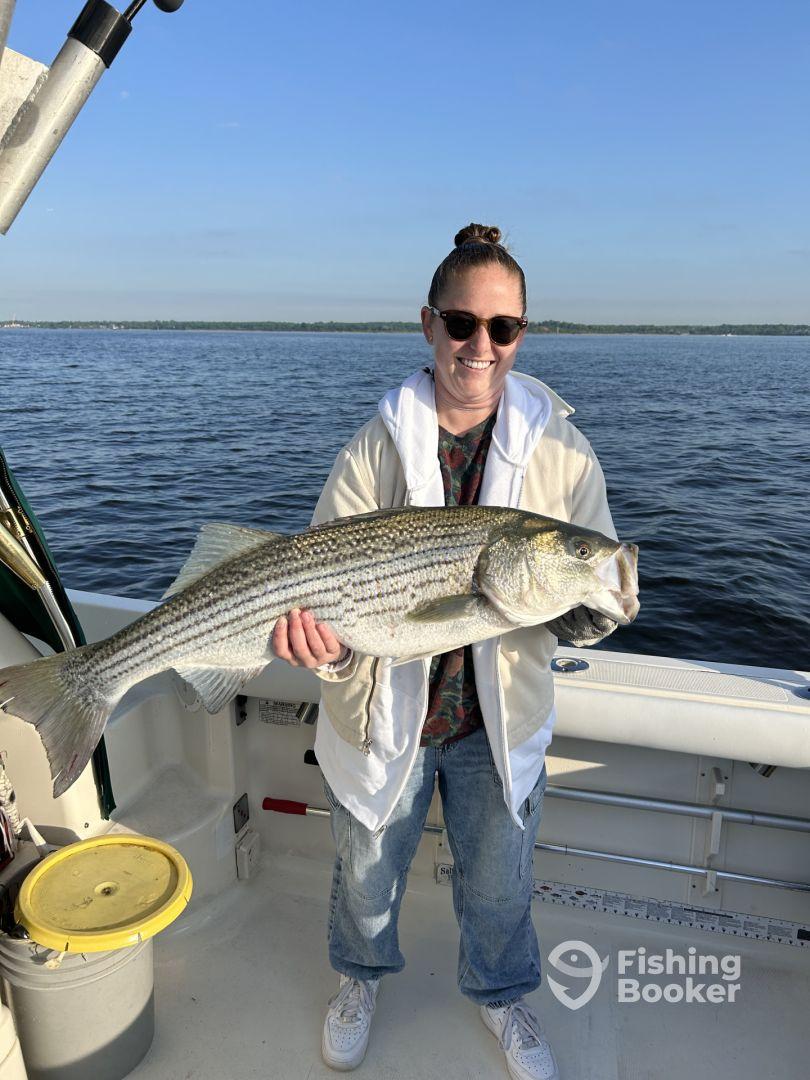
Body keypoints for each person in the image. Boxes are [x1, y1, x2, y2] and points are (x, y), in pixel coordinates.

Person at [271, 224, 619, 1080]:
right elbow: (321, 594)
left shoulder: (564, 451)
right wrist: (320, 651)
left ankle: (502, 996)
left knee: (499, 887)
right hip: (382, 716)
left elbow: (595, 580)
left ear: (522, 336)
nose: (480, 345)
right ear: (428, 323)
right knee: (365, 876)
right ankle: (358, 981)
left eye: (502, 328)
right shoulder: (372, 447)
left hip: (492, 726)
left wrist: (591, 594)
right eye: (462, 323)